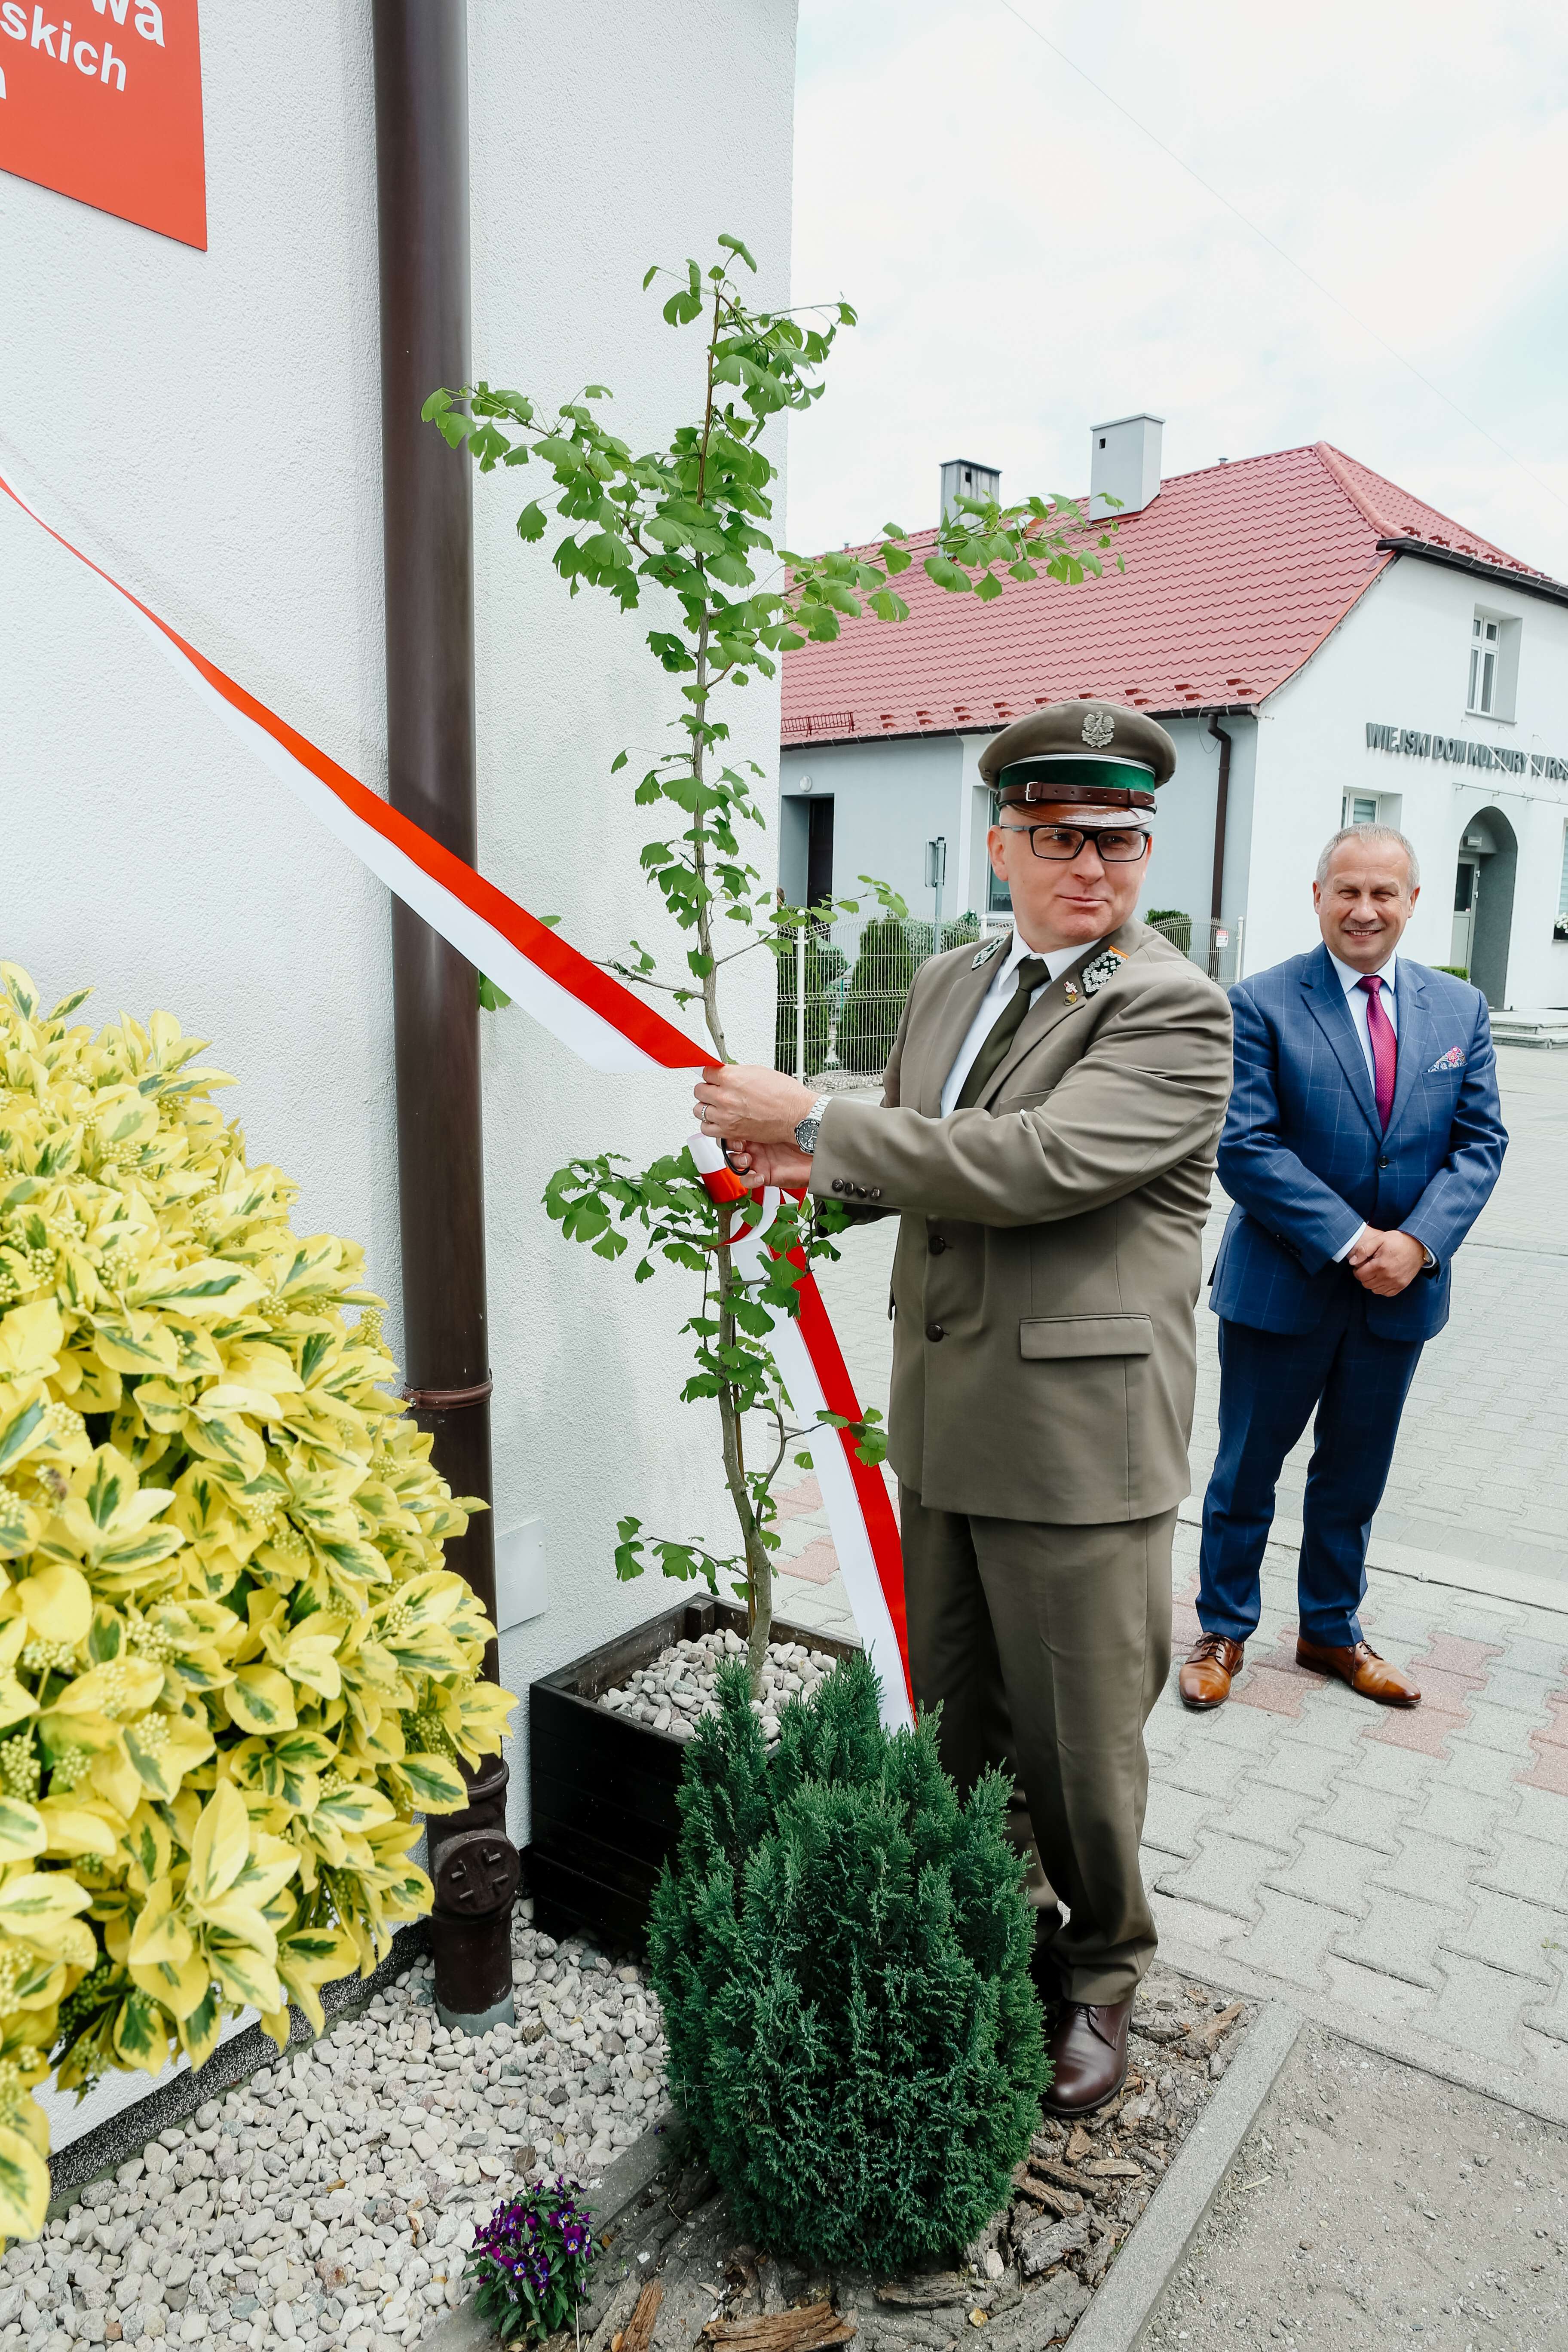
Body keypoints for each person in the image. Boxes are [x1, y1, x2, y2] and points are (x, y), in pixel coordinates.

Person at [693, 698, 1232, 2113]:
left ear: (1142, 847)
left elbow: (1032, 1163)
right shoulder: (950, 981)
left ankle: (1104, 1971)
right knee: (955, 1717)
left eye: (1116, 841)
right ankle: (995, 1924)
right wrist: (811, 1178)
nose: (1091, 869)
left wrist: (807, 1116)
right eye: (1057, 839)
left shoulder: (1169, 1006)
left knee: (1078, 1737)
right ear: (999, 843)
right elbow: (925, 1150)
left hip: (1074, 1445)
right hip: (941, 1411)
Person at [1182, 823, 1507, 1713]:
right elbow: (1242, 1146)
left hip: (1400, 1294)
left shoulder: (1458, 1010)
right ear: (1319, 897)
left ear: (1412, 903)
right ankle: (1223, 1629)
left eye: (1384, 894)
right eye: (1348, 892)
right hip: (1284, 1285)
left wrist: (1418, 1244)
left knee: (1355, 1473)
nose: (1365, 910)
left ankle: (1330, 1629)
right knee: (1248, 1469)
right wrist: (1355, 1239)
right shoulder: (1259, 1002)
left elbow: (1480, 1145)